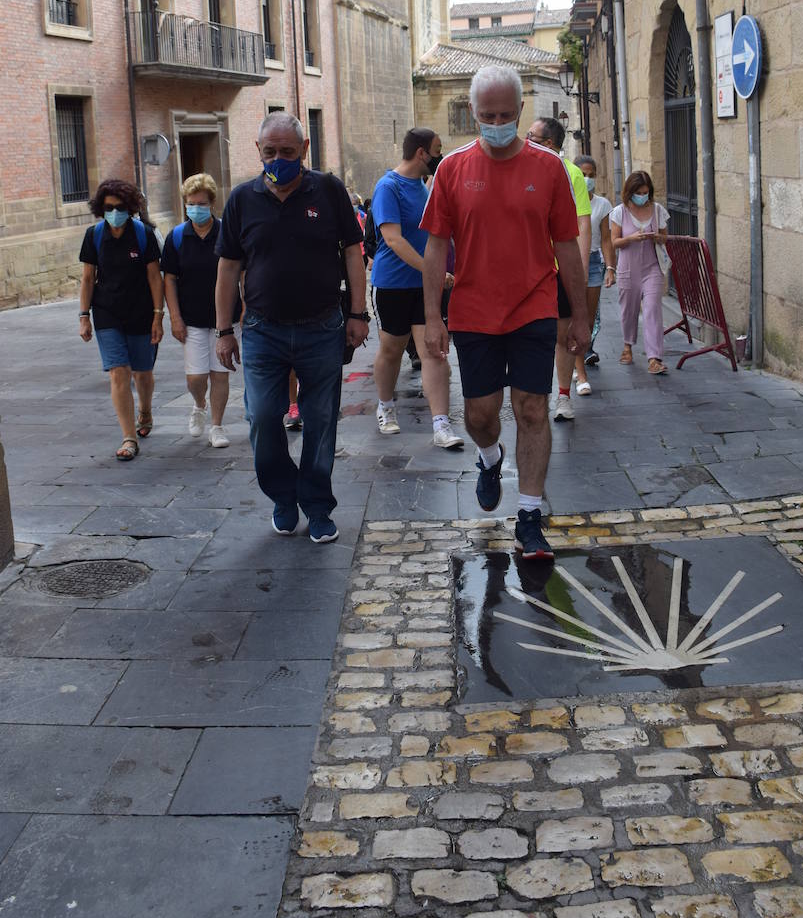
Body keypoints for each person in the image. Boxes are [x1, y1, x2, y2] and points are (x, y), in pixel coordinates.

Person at [421, 65, 589, 560]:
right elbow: (435, 248)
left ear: (520, 112)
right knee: (479, 415)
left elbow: (567, 245)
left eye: (505, 114)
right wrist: (433, 316)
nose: (496, 122)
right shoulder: (452, 169)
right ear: (473, 113)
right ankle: (489, 457)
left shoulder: (548, 168)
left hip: (534, 306)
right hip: (473, 312)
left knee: (533, 408)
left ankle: (530, 516)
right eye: (487, 114)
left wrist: (580, 316)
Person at [214, 112, 369, 543]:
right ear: (258, 151)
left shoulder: (329, 190)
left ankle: (318, 506)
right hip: (263, 331)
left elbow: (353, 253)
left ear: (303, 150)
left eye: (287, 151)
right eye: (270, 152)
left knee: (320, 420)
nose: (278, 159)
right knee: (263, 417)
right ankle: (284, 496)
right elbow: (228, 268)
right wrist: (223, 329)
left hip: (323, 329)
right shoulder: (242, 199)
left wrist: (359, 314)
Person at [371, 127, 462, 449]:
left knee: (434, 351)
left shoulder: (425, 187)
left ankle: (441, 424)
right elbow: (393, 239)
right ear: (422, 152)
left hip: (424, 287)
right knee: (392, 350)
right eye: (437, 149)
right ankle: (385, 407)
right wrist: (433, 271)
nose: (441, 154)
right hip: (393, 285)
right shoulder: (388, 186)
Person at [78, 178, 164, 460]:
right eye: (108, 207)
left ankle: (146, 411)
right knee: (119, 371)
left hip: (140, 312)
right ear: (101, 209)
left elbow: (155, 277)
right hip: (107, 313)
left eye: (120, 207)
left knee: (143, 372)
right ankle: (129, 437)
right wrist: (84, 316)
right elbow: (88, 278)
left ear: (130, 208)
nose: (114, 212)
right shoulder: (94, 236)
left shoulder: (143, 235)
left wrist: (158, 316)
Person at [161, 173, 240, 449]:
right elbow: (169, 278)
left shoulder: (226, 233)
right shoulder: (177, 238)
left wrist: (244, 307)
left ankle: (217, 426)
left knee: (220, 372)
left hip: (224, 318)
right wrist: (174, 317)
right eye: (191, 203)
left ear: (212, 203)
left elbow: (240, 271)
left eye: (201, 203)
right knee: (196, 377)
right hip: (191, 317)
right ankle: (199, 404)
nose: (195, 208)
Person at [526, 116, 592, 422]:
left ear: (548, 144)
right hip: (526, 271)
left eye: (531, 136)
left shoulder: (571, 173)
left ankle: (563, 396)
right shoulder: (517, 167)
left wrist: (576, 272)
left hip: (557, 271)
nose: (524, 139)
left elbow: (582, 222)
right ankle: (533, 395)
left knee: (563, 336)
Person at [611, 169, 670, 376]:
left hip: (651, 267)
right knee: (629, 310)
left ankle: (654, 358)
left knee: (653, 308)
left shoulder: (658, 210)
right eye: (639, 192)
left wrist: (657, 237)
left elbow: (665, 238)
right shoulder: (620, 212)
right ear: (631, 192)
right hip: (627, 268)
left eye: (646, 192)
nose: (642, 196)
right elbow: (614, 242)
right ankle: (628, 345)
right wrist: (631, 239)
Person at [571, 154, 615, 394]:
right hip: (571, 261)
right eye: (583, 174)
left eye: (591, 175)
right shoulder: (567, 200)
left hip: (595, 261)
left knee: (587, 321)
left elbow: (606, 239)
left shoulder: (603, 204)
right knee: (575, 318)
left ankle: (578, 358)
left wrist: (610, 267)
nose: (588, 179)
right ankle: (580, 374)